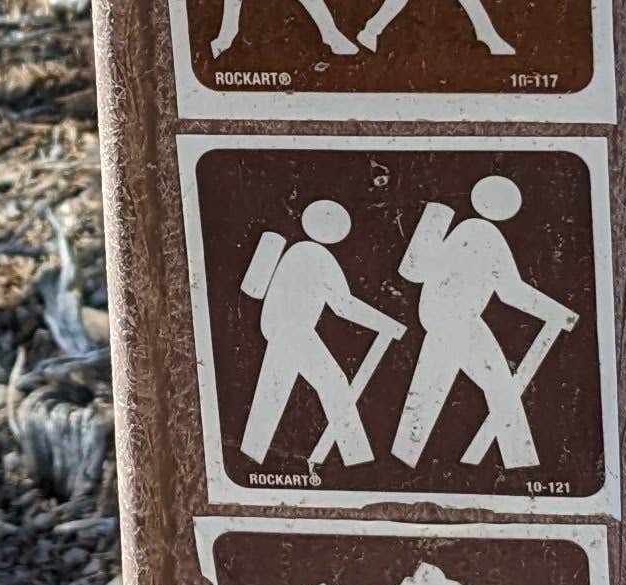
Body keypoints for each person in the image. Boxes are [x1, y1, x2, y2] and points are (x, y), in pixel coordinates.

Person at [390, 173, 577, 473]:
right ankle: (521, 463)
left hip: (438, 321)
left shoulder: (463, 229)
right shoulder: (487, 235)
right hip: (460, 322)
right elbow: (511, 292)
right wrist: (559, 314)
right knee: (501, 388)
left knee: (425, 392)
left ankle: (402, 459)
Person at [238, 199, 404, 467]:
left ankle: (249, 454)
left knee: (272, 393)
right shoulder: (318, 256)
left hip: (278, 330)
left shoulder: (296, 251)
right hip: (295, 332)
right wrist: (388, 324)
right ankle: (358, 459)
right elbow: (343, 305)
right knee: (334, 383)